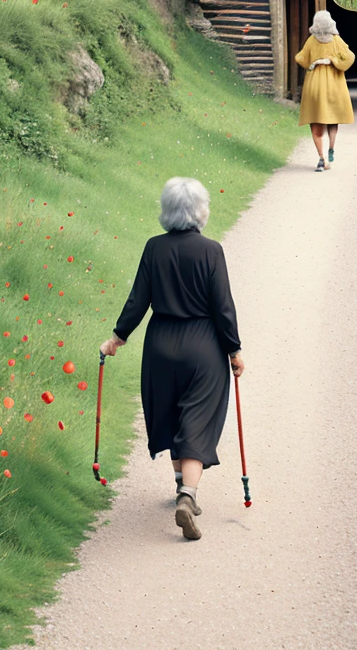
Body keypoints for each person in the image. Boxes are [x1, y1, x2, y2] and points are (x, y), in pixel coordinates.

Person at [100, 177, 244, 541]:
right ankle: (188, 495)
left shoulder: (154, 248)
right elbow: (222, 307)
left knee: (172, 413)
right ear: (200, 211)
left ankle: (180, 484)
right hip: (203, 346)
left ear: (167, 211)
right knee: (196, 418)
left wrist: (117, 338)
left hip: (161, 344)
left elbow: (138, 300)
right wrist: (234, 350)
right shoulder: (211, 251)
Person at [294, 10, 355, 172]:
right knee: (333, 118)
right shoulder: (336, 40)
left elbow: (300, 58)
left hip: (315, 84)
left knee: (316, 120)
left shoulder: (311, 41)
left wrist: (314, 63)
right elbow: (350, 57)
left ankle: (321, 159)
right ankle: (331, 148)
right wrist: (333, 61)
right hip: (335, 84)